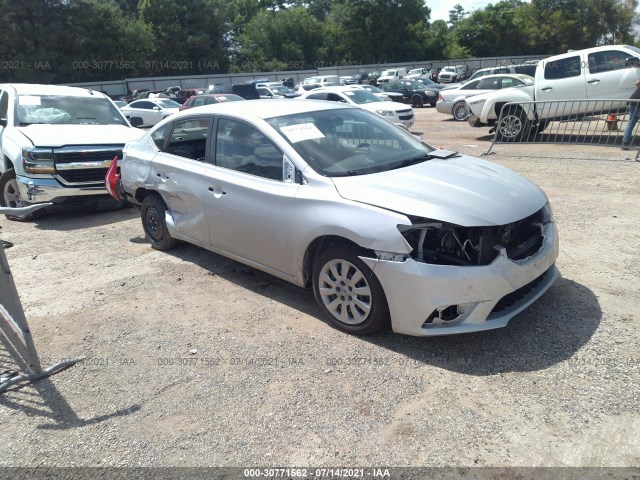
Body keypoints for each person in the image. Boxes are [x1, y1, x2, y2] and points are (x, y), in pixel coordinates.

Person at [622, 78, 640, 151]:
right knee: (631, 123)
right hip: (638, 103)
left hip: (632, 101)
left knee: (631, 123)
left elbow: (636, 83)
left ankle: (625, 143)